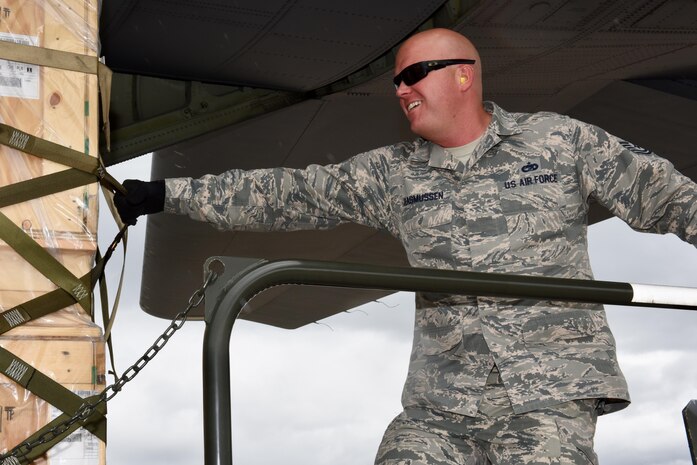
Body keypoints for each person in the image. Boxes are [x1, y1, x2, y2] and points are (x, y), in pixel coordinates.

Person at [114, 28, 697, 464]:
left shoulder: (558, 142)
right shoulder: (392, 175)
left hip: (549, 391)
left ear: (464, 75)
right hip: (441, 404)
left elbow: (668, 197)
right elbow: (286, 192)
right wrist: (167, 194)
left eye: (415, 74)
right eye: (396, 80)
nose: (401, 88)